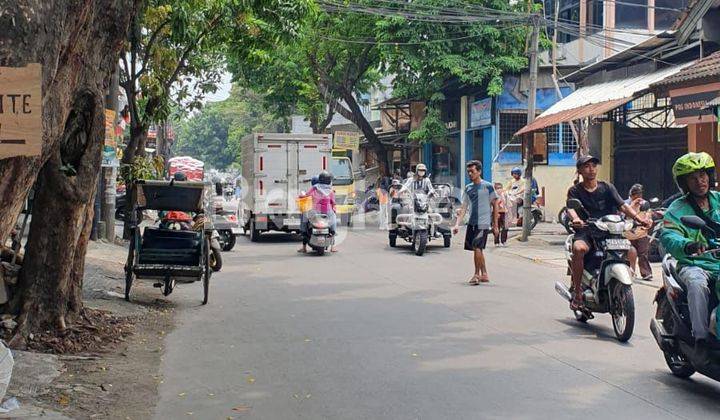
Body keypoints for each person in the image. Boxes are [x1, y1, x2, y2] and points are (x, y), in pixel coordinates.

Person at [567, 156, 651, 310]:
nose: (591, 169)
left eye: (593, 165)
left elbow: (623, 206)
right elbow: (570, 208)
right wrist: (577, 219)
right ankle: (578, 291)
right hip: (587, 230)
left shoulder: (607, 187)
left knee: (631, 250)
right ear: (579, 170)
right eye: (586, 166)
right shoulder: (575, 190)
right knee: (579, 249)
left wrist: (639, 218)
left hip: (610, 231)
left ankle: (623, 282)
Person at [661, 152, 720, 358]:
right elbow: (668, 236)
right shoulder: (677, 208)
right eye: (692, 178)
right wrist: (688, 245)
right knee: (697, 284)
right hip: (695, 263)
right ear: (684, 183)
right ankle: (701, 338)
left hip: (718, 263)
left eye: (703, 175)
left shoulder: (719, 201)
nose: (699, 181)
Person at [452, 160, 500, 285]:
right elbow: (464, 207)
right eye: (468, 172)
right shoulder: (469, 188)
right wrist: (457, 223)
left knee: (477, 247)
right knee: (477, 249)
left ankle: (476, 275)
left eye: (472, 171)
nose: (470, 174)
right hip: (472, 222)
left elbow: (495, 206)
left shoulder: (488, 186)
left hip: (483, 223)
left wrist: (495, 225)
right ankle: (484, 274)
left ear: (479, 172)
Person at [298, 171, 338, 253]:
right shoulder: (330, 190)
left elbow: (306, 195)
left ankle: (304, 245)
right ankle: (333, 247)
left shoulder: (315, 188)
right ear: (329, 180)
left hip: (315, 212)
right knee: (333, 222)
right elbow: (333, 202)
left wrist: (301, 196)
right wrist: (333, 209)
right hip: (327, 212)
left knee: (304, 221)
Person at [625, 184, 653, 280]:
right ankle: (629, 272)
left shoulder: (644, 204)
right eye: (635, 195)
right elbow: (623, 215)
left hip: (641, 233)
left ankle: (646, 273)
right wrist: (632, 205)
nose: (638, 197)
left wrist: (648, 222)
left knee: (643, 254)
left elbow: (648, 215)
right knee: (628, 254)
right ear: (631, 195)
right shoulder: (626, 204)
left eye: (639, 194)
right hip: (628, 234)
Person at [493, 182, 509, 247]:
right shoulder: (493, 196)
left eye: (500, 188)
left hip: (504, 212)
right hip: (496, 213)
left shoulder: (505, 195)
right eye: (497, 188)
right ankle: (496, 242)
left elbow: (508, 204)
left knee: (505, 227)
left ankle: (504, 241)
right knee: (497, 227)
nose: (499, 189)